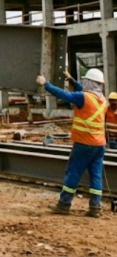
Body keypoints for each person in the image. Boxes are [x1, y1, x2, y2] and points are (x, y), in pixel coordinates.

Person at [36, 68, 108, 218]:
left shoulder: (83, 98)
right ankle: (95, 207)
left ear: (88, 82)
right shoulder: (102, 101)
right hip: (99, 145)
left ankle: (64, 204)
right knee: (96, 176)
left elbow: (65, 95)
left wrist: (46, 84)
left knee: (73, 172)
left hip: (84, 144)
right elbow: (85, 91)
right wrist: (71, 79)